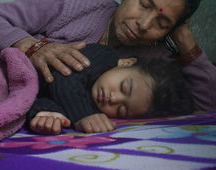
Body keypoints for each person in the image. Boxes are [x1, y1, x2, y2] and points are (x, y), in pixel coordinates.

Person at [0, 0, 216, 112]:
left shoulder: (152, 62)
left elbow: (211, 109)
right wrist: (33, 46)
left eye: (162, 23)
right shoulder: (71, 2)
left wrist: (186, 41)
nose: (144, 24)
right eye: (144, 4)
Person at [27, 43, 194, 135]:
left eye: (121, 110)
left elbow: (42, 99)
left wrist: (47, 114)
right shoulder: (103, 55)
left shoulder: (93, 106)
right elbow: (64, 77)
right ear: (127, 63)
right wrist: (84, 115)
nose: (114, 99)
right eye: (124, 87)